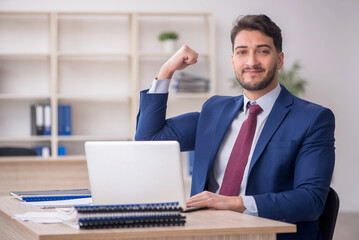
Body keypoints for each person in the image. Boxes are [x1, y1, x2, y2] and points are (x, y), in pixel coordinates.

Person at [135, 14, 335, 240]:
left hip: (269, 234)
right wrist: (166, 71)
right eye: (242, 52)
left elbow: (310, 200)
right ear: (233, 61)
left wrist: (234, 203)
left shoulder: (313, 119)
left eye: (262, 51)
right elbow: (149, 140)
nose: (251, 62)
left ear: (279, 60)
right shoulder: (214, 110)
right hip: (207, 232)